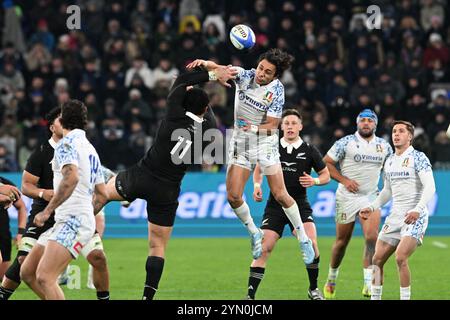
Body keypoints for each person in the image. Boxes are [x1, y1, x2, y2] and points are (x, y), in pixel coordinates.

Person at [92, 64, 237, 300]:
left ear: (183, 102)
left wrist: (210, 71)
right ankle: (147, 297)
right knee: (157, 246)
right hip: (167, 191)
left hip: (142, 176)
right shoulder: (209, 132)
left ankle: (75, 229)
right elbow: (207, 113)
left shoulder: (173, 114)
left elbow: (181, 80)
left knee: (102, 196)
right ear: (205, 108)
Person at [187, 49, 315, 265]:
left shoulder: (276, 90)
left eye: (267, 72)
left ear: (275, 76)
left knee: (280, 194)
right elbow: (220, 70)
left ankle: (303, 239)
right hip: (241, 143)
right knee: (233, 196)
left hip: (264, 142)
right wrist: (205, 62)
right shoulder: (245, 76)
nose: (261, 74)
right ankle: (255, 232)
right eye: (261, 68)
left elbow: (274, 125)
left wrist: (253, 127)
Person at [0, 107, 110, 300]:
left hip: (70, 220)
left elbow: (71, 178)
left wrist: (48, 211)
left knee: (44, 277)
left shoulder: (65, 144)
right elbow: (102, 194)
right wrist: (86, 215)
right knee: (27, 271)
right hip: (67, 220)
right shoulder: (90, 148)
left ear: (64, 120)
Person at [247, 109, 330, 300]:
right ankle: (250, 296)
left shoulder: (309, 150)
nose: (290, 127)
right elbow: (259, 168)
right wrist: (257, 184)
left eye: (294, 123)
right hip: (275, 206)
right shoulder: (272, 147)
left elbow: (326, 175)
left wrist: (315, 181)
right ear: (281, 126)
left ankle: (313, 289)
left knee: (311, 244)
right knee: (263, 249)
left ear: (300, 127)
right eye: (287, 123)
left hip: (299, 204)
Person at [360, 121, 436, 300]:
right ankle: (375, 298)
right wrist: (372, 207)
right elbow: (387, 191)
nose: (396, 134)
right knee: (376, 261)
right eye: (394, 131)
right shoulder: (390, 161)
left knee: (400, 257)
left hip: (415, 216)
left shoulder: (418, 157)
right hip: (395, 217)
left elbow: (430, 186)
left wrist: (417, 209)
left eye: (401, 131)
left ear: (410, 136)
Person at [322, 109, 393, 299]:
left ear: (375, 124)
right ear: (357, 123)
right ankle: (332, 277)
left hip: (370, 197)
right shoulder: (345, 142)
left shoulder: (384, 146)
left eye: (370, 120)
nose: (366, 123)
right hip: (346, 197)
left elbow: (391, 169)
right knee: (341, 243)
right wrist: (344, 180)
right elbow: (326, 163)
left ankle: (368, 283)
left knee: (372, 238)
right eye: (363, 120)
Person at [0, 178, 27, 280]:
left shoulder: (6, 183)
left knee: (4, 278)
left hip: (4, 236)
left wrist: (20, 232)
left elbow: (21, 207)